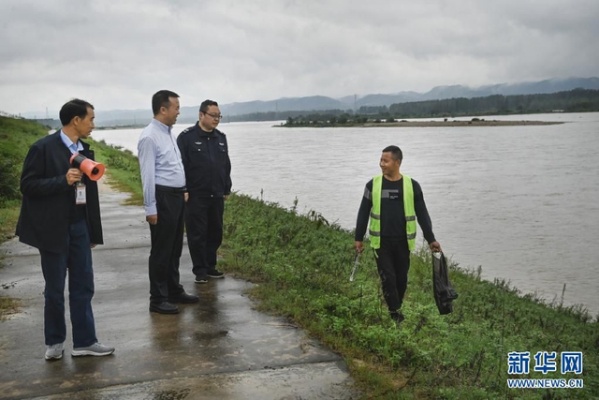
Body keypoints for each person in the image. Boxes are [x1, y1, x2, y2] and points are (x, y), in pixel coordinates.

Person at [16, 99, 115, 360]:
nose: (93, 124)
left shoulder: (85, 150)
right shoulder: (43, 148)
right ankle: (55, 342)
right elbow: (27, 185)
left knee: (84, 285)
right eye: (91, 119)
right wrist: (62, 181)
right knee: (54, 289)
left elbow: (89, 195)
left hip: (79, 226)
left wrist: (92, 231)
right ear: (76, 120)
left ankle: (84, 342)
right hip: (52, 228)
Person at [354, 145, 441, 324]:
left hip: (403, 242)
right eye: (381, 160)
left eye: (385, 161)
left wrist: (431, 239)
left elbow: (422, 214)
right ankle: (395, 315)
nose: (381, 164)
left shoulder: (412, 185)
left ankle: (396, 307)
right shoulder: (373, 184)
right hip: (381, 242)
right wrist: (358, 238)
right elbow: (363, 212)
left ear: (397, 162)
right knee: (388, 278)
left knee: (401, 279)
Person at [137, 90, 199, 314]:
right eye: (176, 107)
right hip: (162, 197)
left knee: (174, 249)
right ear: (163, 109)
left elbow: (173, 166)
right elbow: (148, 175)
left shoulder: (169, 133)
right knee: (161, 250)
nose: (178, 112)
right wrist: (150, 207)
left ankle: (174, 289)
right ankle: (158, 298)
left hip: (176, 196)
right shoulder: (150, 136)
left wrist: (182, 189)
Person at [177, 99, 231, 284]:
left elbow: (226, 165)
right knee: (197, 233)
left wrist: (226, 187)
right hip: (195, 195)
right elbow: (180, 166)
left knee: (215, 231)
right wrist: (183, 189)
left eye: (219, 116)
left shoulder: (221, 138)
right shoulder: (186, 137)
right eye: (213, 115)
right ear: (201, 115)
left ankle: (210, 266)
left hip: (216, 194)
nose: (217, 119)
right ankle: (199, 270)